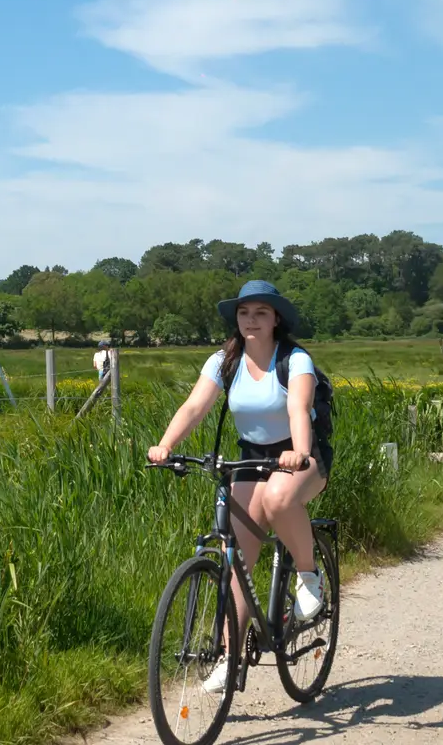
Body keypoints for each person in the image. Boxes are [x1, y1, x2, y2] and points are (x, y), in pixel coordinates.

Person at [146, 279, 332, 692]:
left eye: (261, 312)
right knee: (238, 560)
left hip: (301, 456)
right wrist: (165, 444)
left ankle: (308, 574)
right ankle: (230, 658)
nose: (251, 319)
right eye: (244, 313)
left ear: (276, 319)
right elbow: (195, 405)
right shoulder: (224, 361)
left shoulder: (294, 359)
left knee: (279, 497)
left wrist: (299, 451)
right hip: (251, 456)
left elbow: (298, 408)